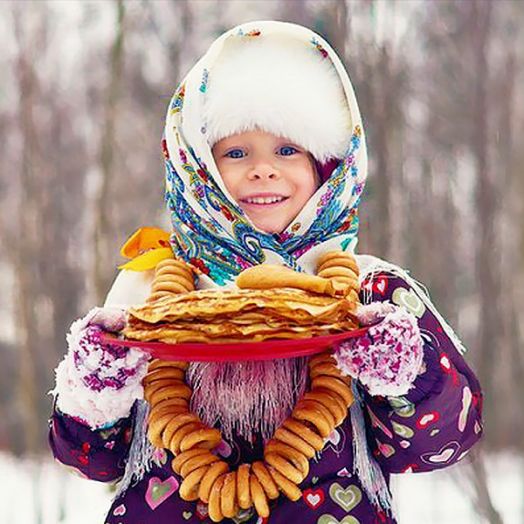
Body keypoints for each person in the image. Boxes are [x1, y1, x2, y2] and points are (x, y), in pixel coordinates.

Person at [49, 21, 483, 524]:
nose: (263, 169)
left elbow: (441, 443)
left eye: (287, 149)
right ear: (197, 170)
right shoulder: (146, 295)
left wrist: (402, 372)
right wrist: (97, 382)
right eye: (236, 153)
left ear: (327, 165)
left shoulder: (371, 295)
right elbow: (90, 459)